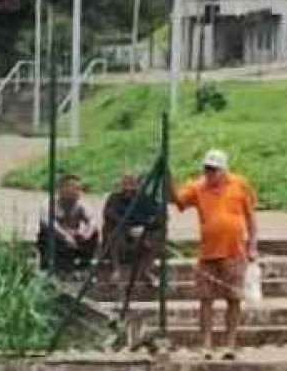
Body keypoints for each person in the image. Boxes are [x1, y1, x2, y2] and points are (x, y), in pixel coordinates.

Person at [170, 149, 259, 360]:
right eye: (207, 169)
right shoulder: (198, 187)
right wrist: (169, 179)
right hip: (208, 252)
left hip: (235, 250)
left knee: (234, 299)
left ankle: (230, 343)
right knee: (205, 299)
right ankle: (206, 344)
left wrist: (253, 245)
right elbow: (178, 201)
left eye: (214, 170)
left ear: (223, 170)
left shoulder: (240, 185)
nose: (210, 174)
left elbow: (251, 217)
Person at [98, 171, 162, 286]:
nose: (128, 188)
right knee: (110, 229)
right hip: (121, 237)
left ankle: (146, 270)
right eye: (126, 183)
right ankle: (116, 269)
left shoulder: (145, 199)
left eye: (131, 184)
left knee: (159, 233)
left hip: (141, 236)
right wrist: (128, 229)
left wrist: (143, 228)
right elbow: (109, 215)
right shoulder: (114, 198)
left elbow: (158, 217)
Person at [37, 174, 100, 272]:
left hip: (74, 236)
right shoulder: (49, 204)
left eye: (78, 189)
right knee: (48, 235)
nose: (76, 192)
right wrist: (65, 236)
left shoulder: (81, 204)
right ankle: (53, 267)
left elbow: (92, 220)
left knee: (94, 233)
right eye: (73, 188)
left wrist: (86, 233)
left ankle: (84, 266)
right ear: (61, 189)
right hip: (56, 238)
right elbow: (49, 223)